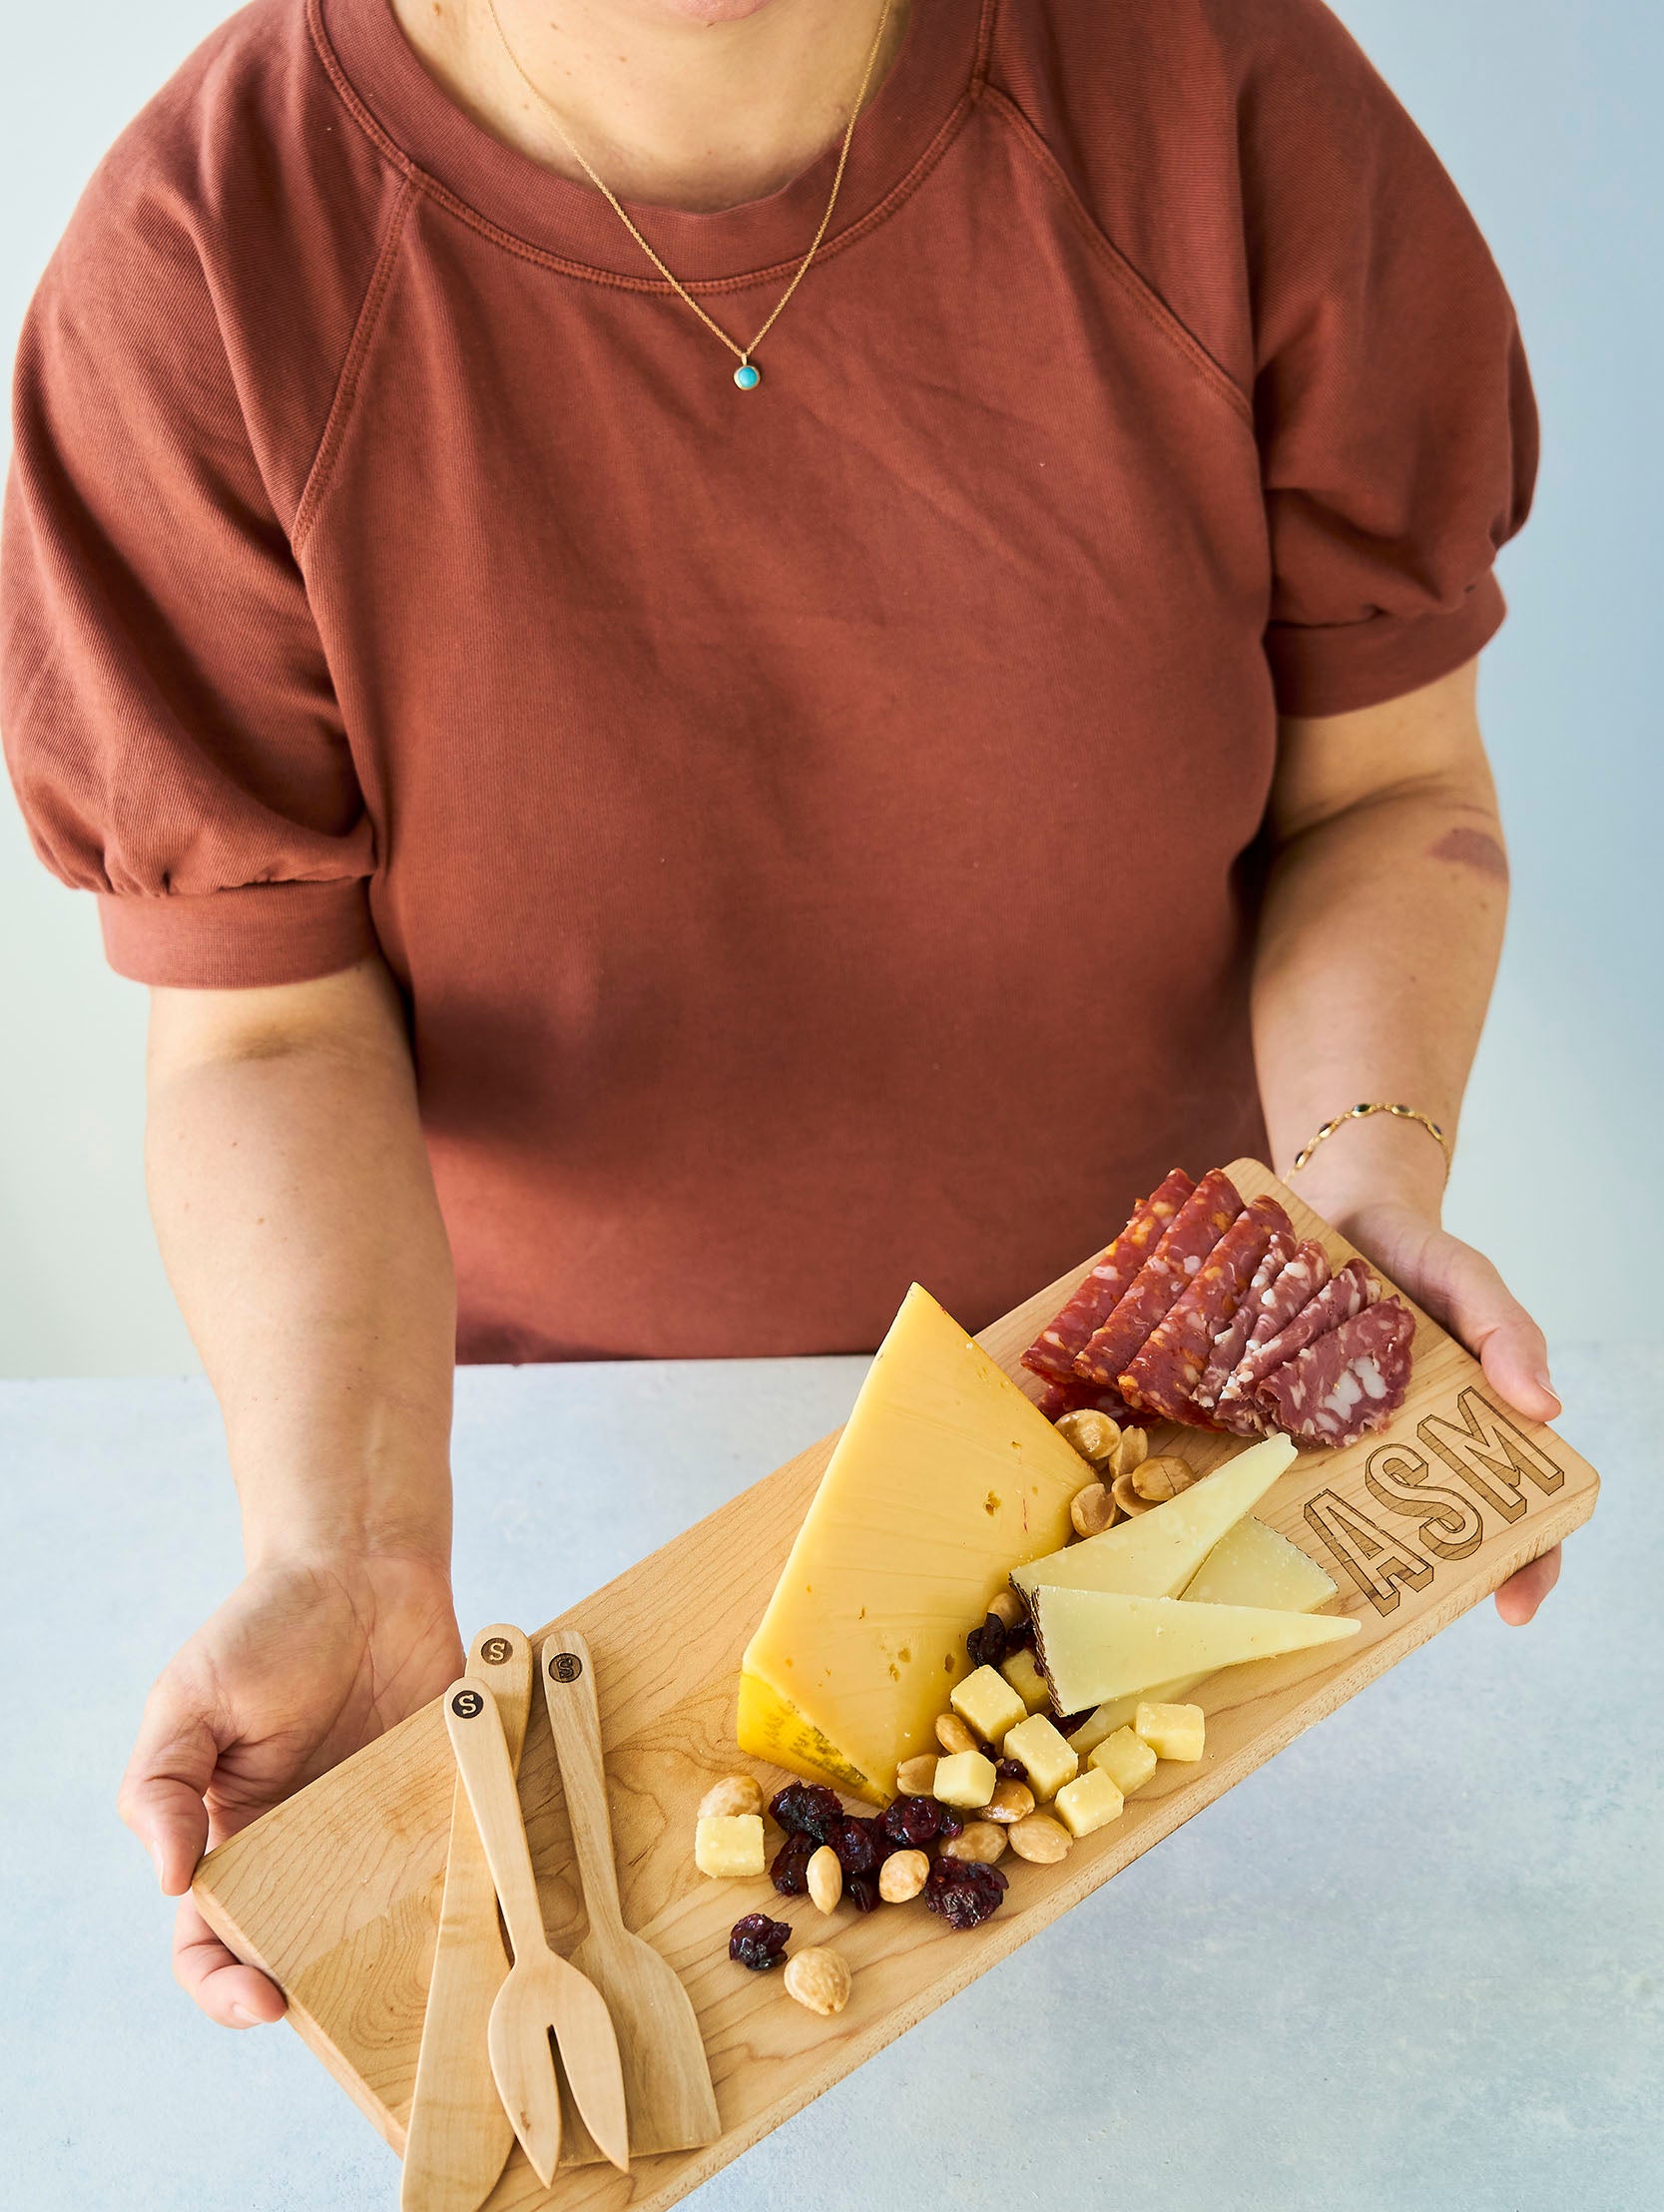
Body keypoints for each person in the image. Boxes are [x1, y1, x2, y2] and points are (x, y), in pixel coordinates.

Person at [1, 0, 1562, 2030]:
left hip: (1177, 1439)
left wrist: (1353, 1202)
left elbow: (1383, 792)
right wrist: (347, 1550)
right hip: (557, 1477)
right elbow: (265, 1025)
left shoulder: (1227, 96)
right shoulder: (201, 267)